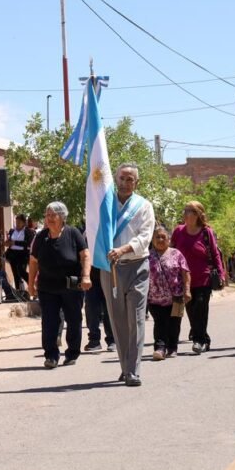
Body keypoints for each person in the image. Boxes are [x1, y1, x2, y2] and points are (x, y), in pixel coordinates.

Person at [101, 163, 155, 387]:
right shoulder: (105, 204)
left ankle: (133, 370)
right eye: (122, 178)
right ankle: (125, 366)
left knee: (135, 318)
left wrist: (123, 249)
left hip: (137, 266)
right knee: (118, 319)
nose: (125, 183)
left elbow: (145, 236)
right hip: (110, 268)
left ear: (136, 182)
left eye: (130, 179)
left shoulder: (144, 206)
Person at [27, 201, 90, 368]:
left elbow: (85, 255)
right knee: (49, 321)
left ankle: (72, 353)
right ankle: (51, 356)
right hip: (47, 287)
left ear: (62, 217)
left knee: (74, 319)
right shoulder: (41, 237)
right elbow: (33, 262)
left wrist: (86, 276)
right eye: (47, 215)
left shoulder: (73, 233)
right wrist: (30, 283)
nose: (49, 219)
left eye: (53, 215)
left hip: (71, 286)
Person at [171, 200, 226, 355]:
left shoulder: (206, 232)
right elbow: (171, 252)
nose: (185, 213)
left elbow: (215, 254)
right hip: (183, 279)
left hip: (204, 278)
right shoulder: (178, 231)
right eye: (185, 210)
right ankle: (204, 338)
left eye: (190, 211)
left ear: (197, 215)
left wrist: (220, 273)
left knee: (201, 309)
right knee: (191, 311)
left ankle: (199, 341)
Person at [148, 225, 190, 360]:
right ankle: (160, 348)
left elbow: (185, 272)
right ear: (152, 239)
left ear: (169, 239)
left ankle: (172, 347)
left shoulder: (176, 254)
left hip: (176, 297)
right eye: (157, 237)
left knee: (174, 323)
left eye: (163, 237)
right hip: (154, 298)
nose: (160, 239)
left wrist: (187, 290)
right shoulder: (148, 255)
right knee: (159, 323)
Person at [83, 266, 115, 353]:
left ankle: (112, 340)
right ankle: (94, 340)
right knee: (91, 309)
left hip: (108, 273)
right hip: (92, 276)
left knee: (109, 308)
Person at [5, 214, 35, 293]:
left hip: (23, 255)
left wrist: (15, 242)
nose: (17, 223)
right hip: (13, 254)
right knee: (15, 273)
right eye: (16, 221)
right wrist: (7, 243)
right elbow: (10, 241)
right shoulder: (12, 231)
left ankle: (32, 284)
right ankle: (19, 291)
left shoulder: (28, 231)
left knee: (21, 271)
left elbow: (28, 243)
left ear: (24, 223)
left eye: (19, 222)